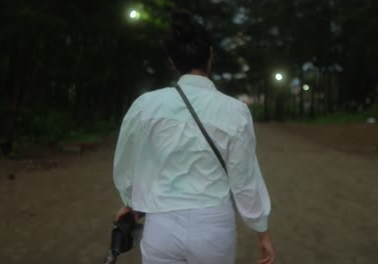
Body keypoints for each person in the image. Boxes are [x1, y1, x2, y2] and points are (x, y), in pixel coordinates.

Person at [113, 9, 275, 264]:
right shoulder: (235, 111)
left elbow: (127, 162)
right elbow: (244, 179)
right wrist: (261, 230)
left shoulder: (146, 106)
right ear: (210, 55)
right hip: (213, 228)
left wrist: (131, 202)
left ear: (172, 61)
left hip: (160, 225)